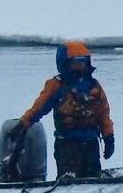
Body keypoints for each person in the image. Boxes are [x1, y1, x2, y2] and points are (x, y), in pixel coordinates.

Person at [12, 40, 114, 178]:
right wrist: (23, 124)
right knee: (68, 180)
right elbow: (39, 107)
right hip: (67, 145)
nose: (79, 65)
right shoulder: (57, 85)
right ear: (66, 63)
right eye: (75, 62)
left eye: (82, 61)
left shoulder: (94, 86)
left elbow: (103, 114)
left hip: (91, 143)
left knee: (93, 177)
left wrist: (108, 137)